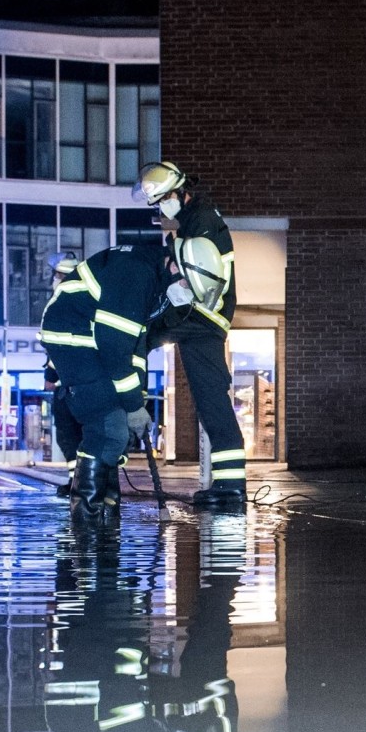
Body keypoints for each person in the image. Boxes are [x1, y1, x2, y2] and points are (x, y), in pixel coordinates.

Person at [135, 162, 248, 507]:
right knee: (208, 399)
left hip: (202, 318)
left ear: (177, 191)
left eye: (162, 200)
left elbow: (201, 273)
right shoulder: (193, 219)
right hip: (198, 318)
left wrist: (176, 280)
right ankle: (228, 484)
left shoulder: (200, 220)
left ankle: (231, 487)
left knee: (211, 400)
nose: (160, 208)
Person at [39, 238, 169, 526]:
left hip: (85, 339)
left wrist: (138, 398)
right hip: (78, 338)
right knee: (109, 429)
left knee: (116, 427)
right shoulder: (139, 274)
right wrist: (134, 406)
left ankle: (107, 510)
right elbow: (115, 346)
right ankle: (87, 518)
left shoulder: (151, 280)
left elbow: (136, 350)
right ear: (175, 267)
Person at [44, 256, 84, 498]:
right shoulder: (83, 300)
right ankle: (77, 480)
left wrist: (50, 373)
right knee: (75, 436)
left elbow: (58, 346)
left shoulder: (62, 303)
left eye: (57, 275)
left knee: (69, 436)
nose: (54, 279)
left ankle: (79, 481)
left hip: (68, 385)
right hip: (78, 383)